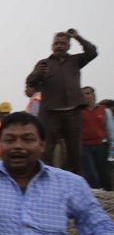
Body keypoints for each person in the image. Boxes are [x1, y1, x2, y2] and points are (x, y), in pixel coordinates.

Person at [25, 29, 98, 175]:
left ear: (68, 46)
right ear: (52, 46)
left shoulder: (75, 61)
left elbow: (92, 52)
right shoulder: (44, 63)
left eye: (63, 43)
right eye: (56, 43)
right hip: (50, 112)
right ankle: (46, 178)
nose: (59, 46)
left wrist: (77, 37)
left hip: (73, 111)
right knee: (45, 150)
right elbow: (30, 83)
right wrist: (37, 73)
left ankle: (72, 181)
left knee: (75, 152)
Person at [80, 86, 114, 191]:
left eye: (88, 93)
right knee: (90, 173)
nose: (86, 96)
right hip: (85, 146)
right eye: (83, 94)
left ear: (93, 95)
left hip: (101, 145)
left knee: (103, 171)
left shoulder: (103, 110)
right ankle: (95, 192)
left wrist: (112, 145)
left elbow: (109, 129)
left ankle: (108, 192)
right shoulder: (79, 112)